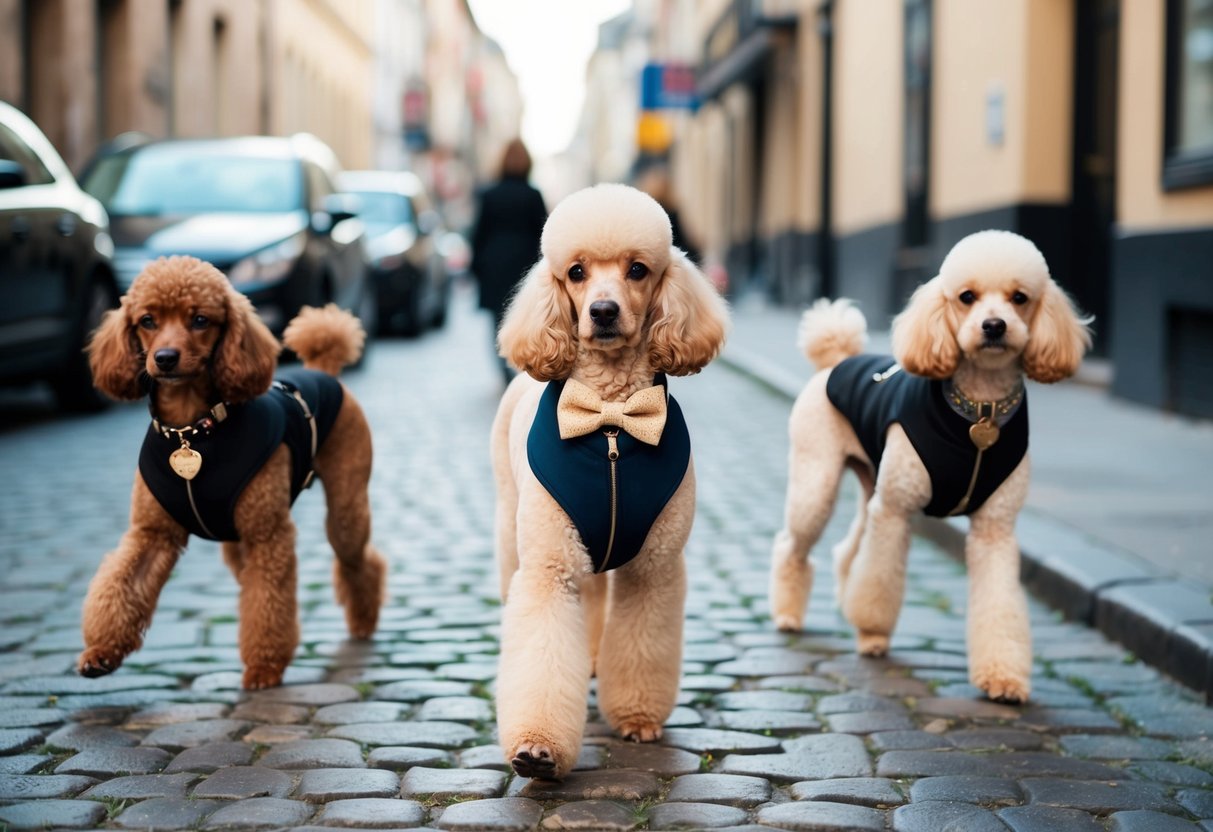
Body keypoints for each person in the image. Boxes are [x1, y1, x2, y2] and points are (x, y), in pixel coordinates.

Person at [471, 139, 548, 384]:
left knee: (497, 320)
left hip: (495, 265)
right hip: (524, 265)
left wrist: (476, 266)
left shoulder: (490, 194)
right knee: (525, 316)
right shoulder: (533, 195)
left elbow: (479, 233)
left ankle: (503, 368)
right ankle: (522, 365)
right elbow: (544, 234)